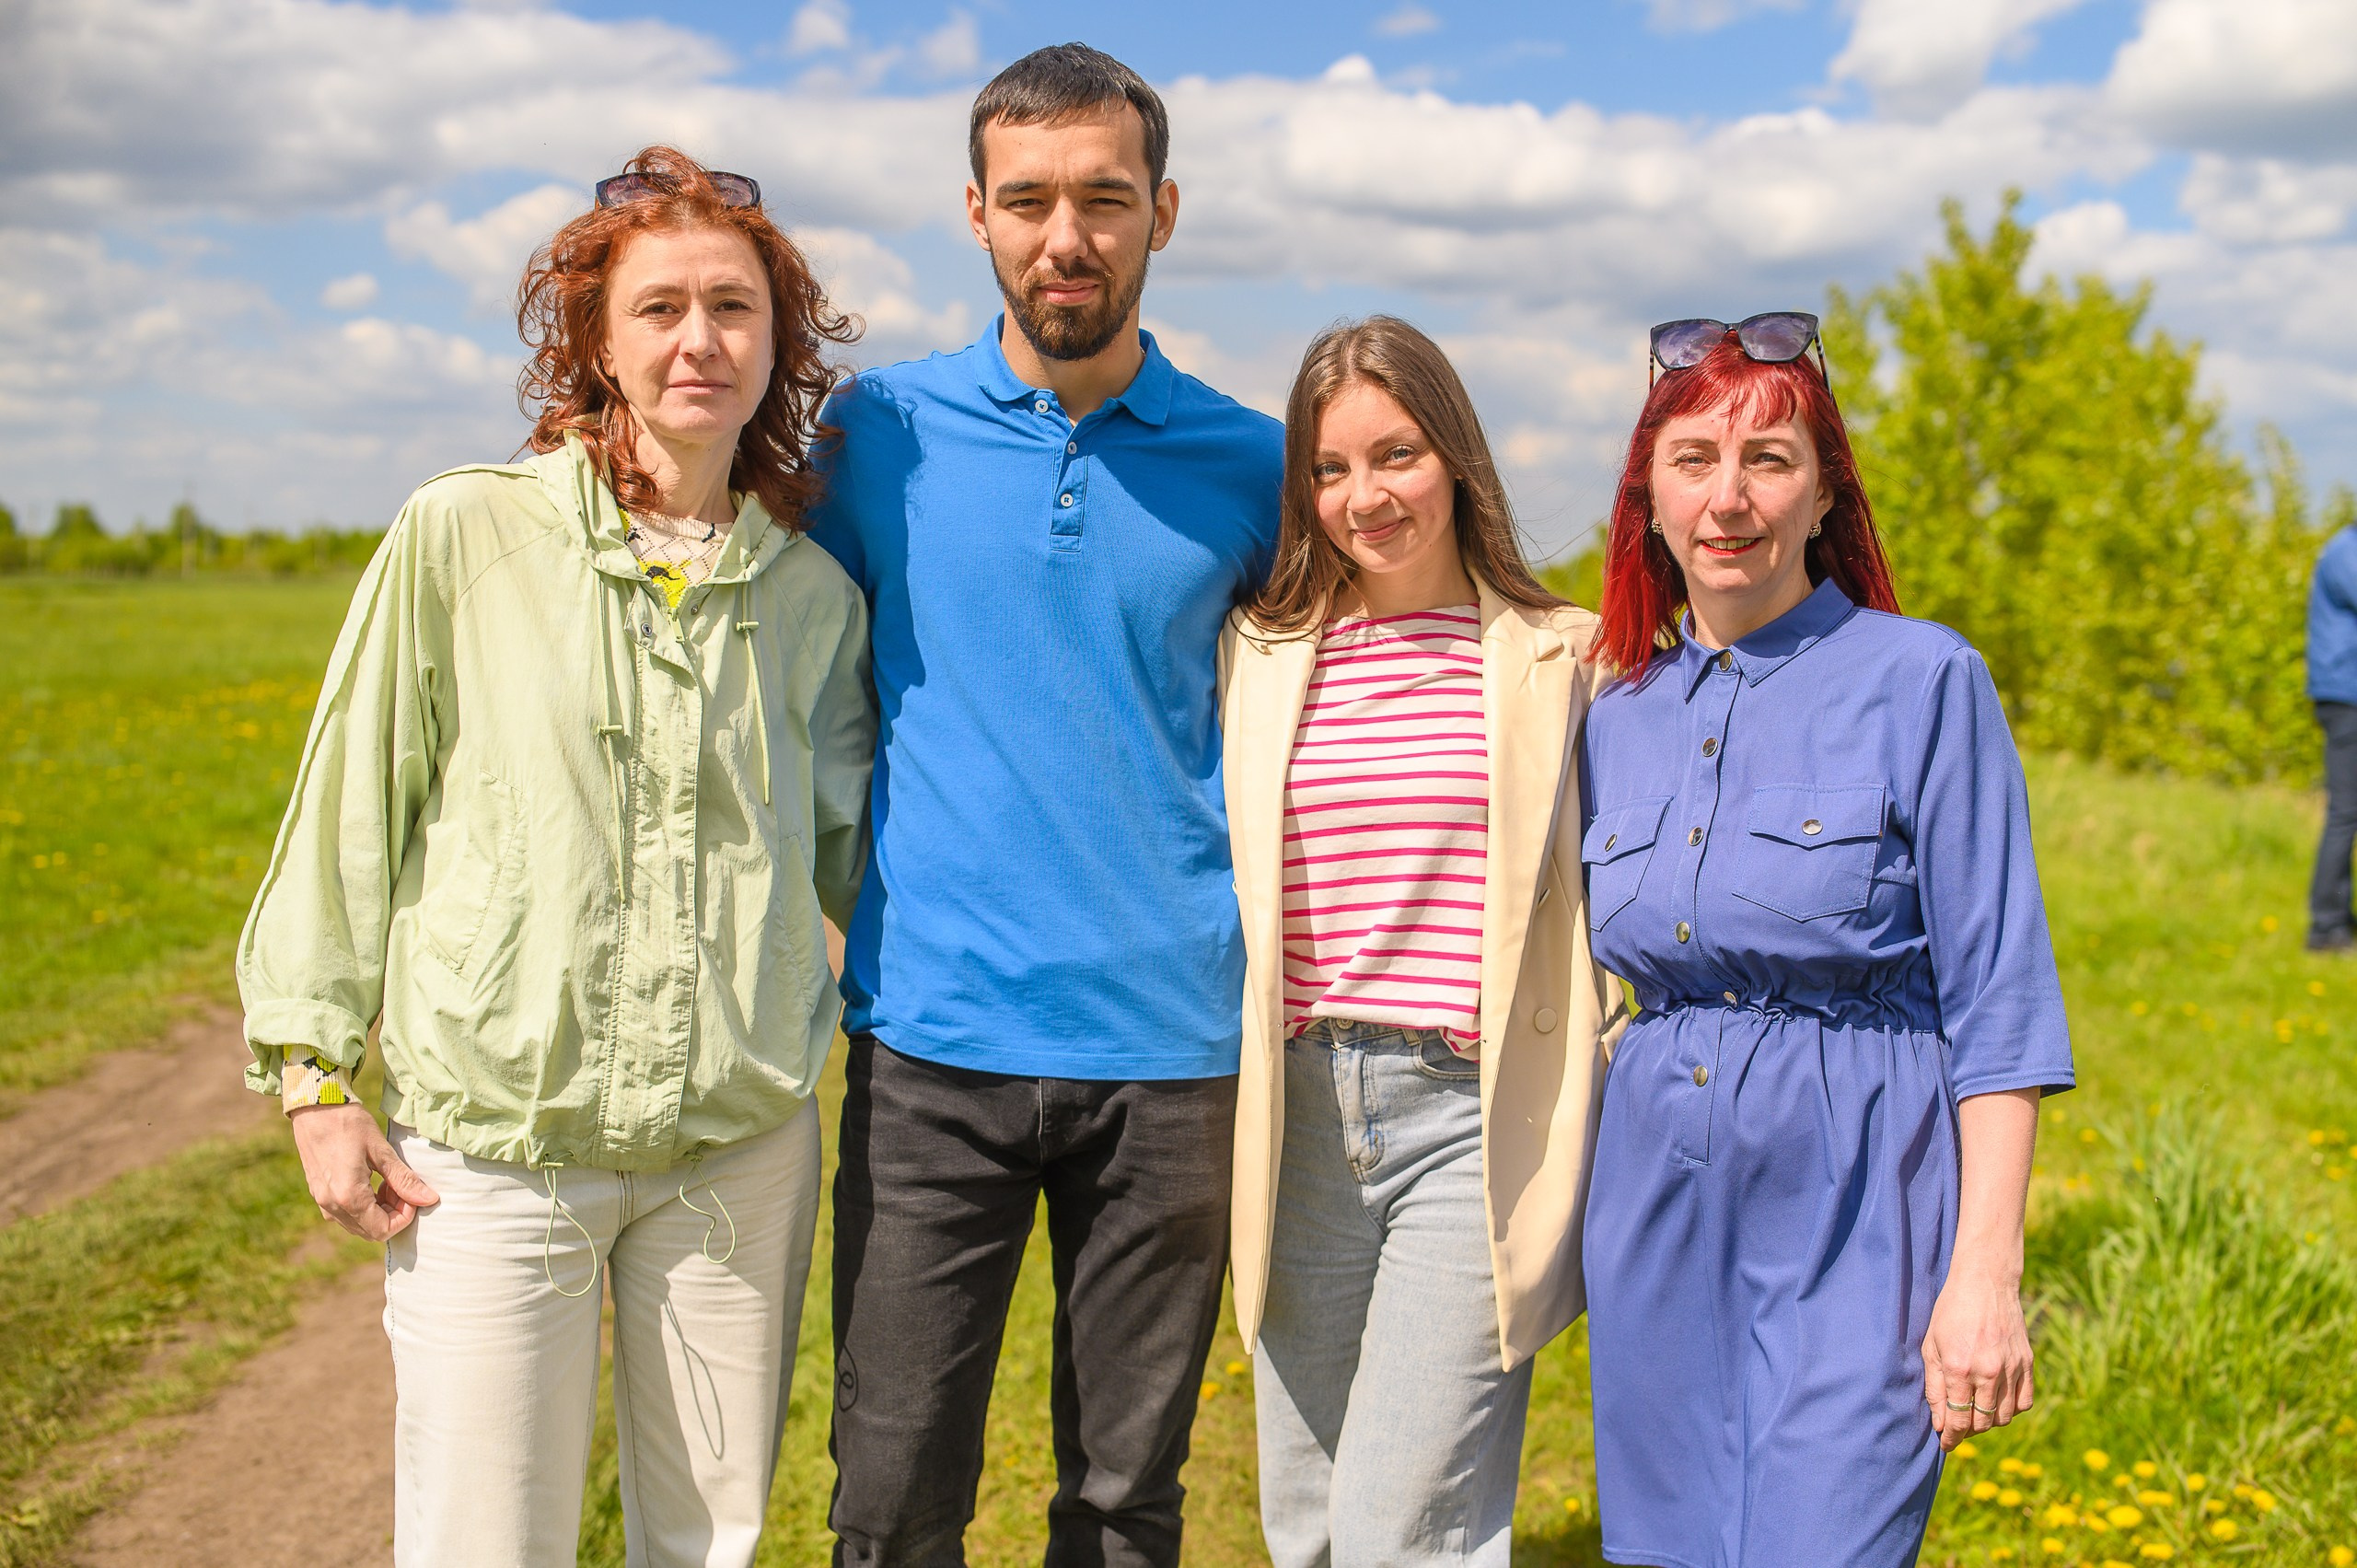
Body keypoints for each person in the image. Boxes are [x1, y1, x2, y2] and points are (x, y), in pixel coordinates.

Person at [236, 146, 874, 1568]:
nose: (698, 339)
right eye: (659, 308)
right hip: (496, 1156)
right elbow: (350, 808)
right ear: (595, 336)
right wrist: (316, 1075)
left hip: (738, 1147)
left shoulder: (815, 593)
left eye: (733, 307)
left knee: (707, 1541)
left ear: (782, 344)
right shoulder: (463, 533)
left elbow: (862, 854)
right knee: (483, 1540)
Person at [806, 43, 1283, 1568]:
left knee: (1127, 1506)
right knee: (888, 1504)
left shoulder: (1254, 466)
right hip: (929, 1044)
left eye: (1102, 198)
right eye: (1028, 200)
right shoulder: (869, 436)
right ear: (976, 212)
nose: (1063, 235)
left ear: (1163, 212)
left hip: (1174, 1057)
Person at [1577, 314, 2076, 1568]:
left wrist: (1985, 1277)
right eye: (1694, 459)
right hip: (1654, 1197)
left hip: (1865, 1191)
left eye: (1769, 460)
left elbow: (2001, 1005)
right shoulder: (1609, 704)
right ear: (1647, 493)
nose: (1729, 498)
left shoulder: (1924, 679)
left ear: (1822, 492)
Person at [1218, 317, 1620, 1567]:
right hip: (1296, 1118)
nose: (1365, 495)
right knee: (1310, 1519)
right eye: (1330, 469)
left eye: (1395, 454)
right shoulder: (1257, 653)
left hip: (1468, 1114)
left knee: (1407, 1526)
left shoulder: (1567, 657)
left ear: (1454, 456)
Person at [2306, 518, 2357, 952]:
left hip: (2345, 693)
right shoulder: (2347, 552)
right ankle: (2326, 926)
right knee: (2346, 812)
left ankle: (2338, 918)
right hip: (2347, 698)